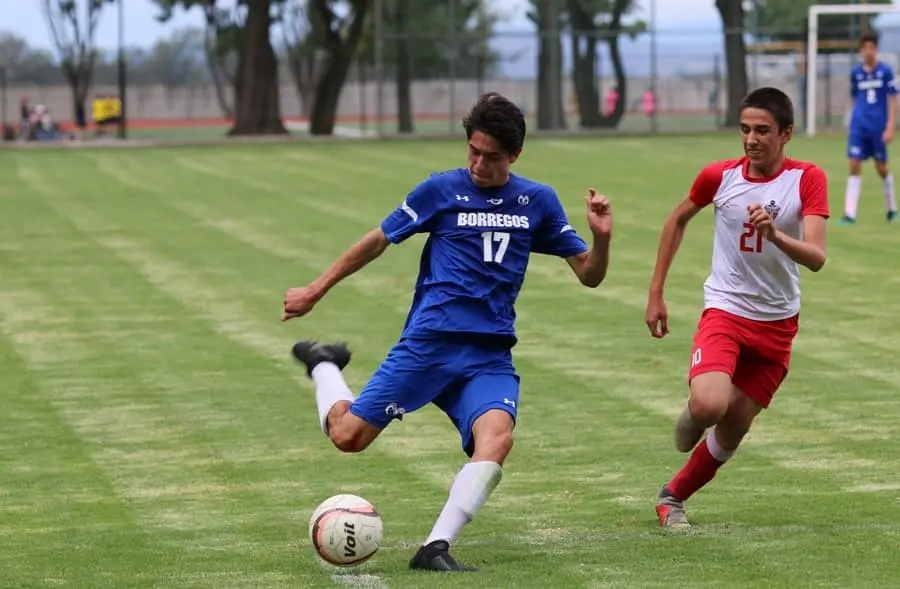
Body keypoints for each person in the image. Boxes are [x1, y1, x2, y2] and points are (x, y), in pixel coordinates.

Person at [281, 92, 614, 570]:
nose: (478, 164)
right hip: (430, 344)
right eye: (473, 151)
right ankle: (324, 365)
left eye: (491, 156)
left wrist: (601, 238)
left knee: (497, 439)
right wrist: (315, 290)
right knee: (347, 436)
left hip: (488, 355)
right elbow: (378, 240)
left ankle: (434, 547)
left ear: (515, 154)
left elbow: (589, 274)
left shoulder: (537, 201)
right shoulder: (440, 191)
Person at [644, 87, 829, 529]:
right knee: (711, 406)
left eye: (762, 130)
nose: (751, 139)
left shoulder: (807, 179)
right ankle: (695, 413)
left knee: (734, 427)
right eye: (745, 129)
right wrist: (656, 292)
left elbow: (817, 257)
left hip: (778, 323)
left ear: (786, 134)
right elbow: (677, 219)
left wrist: (776, 236)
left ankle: (672, 498)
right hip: (726, 311)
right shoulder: (719, 176)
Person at [842, 33, 898, 224]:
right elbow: (854, 98)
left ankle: (891, 209)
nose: (868, 51)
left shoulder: (886, 71)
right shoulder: (856, 73)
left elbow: (893, 99)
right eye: (865, 48)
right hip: (859, 126)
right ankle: (850, 214)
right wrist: (851, 121)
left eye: (871, 48)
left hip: (878, 127)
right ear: (861, 50)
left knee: (881, 167)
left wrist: (890, 126)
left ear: (876, 49)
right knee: (854, 164)